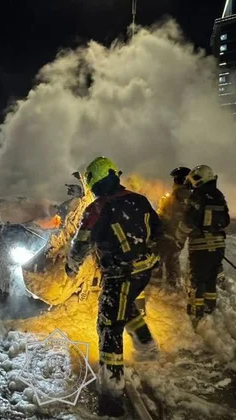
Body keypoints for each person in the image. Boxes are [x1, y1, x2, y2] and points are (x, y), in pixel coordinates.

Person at [65, 156, 162, 416]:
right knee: (125, 305)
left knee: (109, 327)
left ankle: (112, 393)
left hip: (120, 274)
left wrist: (72, 265)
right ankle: (146, 342)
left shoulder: (97, 209)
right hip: (144, 270)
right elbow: (158, 229)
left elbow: (81, 242)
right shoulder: (140, 200)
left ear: (96, 182)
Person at [175, 165, 230, 328]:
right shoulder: (218, 195)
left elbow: (187, 222)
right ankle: (209, 307)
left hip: (200, 246)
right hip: (219, 246)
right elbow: (226, 221)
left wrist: (179, 238)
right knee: (211, 277)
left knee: (197, 279)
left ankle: (196, 312)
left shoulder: (197, 196)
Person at [156, 166, 193, 287]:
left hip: (170, 235)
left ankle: (170, 286)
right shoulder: (189, 197)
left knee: (165, 258)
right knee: (172, 259)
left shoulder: (177, 196)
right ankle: (173, 284)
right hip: (176, 235)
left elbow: (165, 216)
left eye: (175, 179)